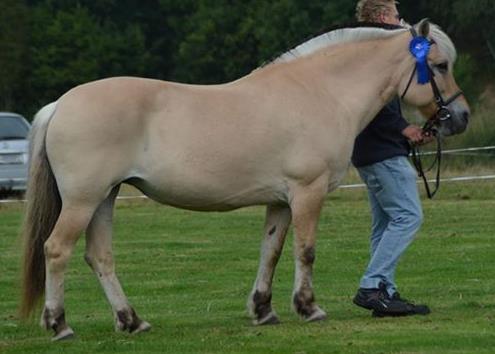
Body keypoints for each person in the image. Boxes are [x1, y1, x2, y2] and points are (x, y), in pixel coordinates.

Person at [351, 0, 431, 317]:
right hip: (382, 152)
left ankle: (386, 292)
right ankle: (372, 285)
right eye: (398, 15)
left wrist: (405, 132)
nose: (403, 20)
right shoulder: (373, 57)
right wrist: (404, 128)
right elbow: (374, 104)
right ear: (384, 16)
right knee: (408, 217)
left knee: (384, 225)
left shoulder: (365, 53)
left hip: (371, 150)